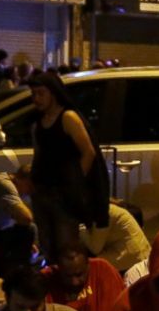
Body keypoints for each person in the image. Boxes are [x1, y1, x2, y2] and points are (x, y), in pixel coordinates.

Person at [28, 71, 110, 263]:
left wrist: (74, 182)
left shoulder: (68, 117)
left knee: (66, 248)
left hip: (64, 196)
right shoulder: (38, 123)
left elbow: (88, 152)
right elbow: (38, 153)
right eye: (33, 94)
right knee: (48, 247)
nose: (36, 99)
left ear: (53, 93)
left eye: (41, 93)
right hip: (43, 193)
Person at [42, 242, 124, 311]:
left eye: (79, 275)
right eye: (68, 276)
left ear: (88, 264)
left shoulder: (103, 270)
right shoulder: (46, 281)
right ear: (58, 268)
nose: (74, 282)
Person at [79, 201, 151, 274]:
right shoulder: (108, 209)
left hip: (130, 258)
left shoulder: (104, 212)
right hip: (137, 255)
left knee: (87, 264)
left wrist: (79, 226)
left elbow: (95, 248)